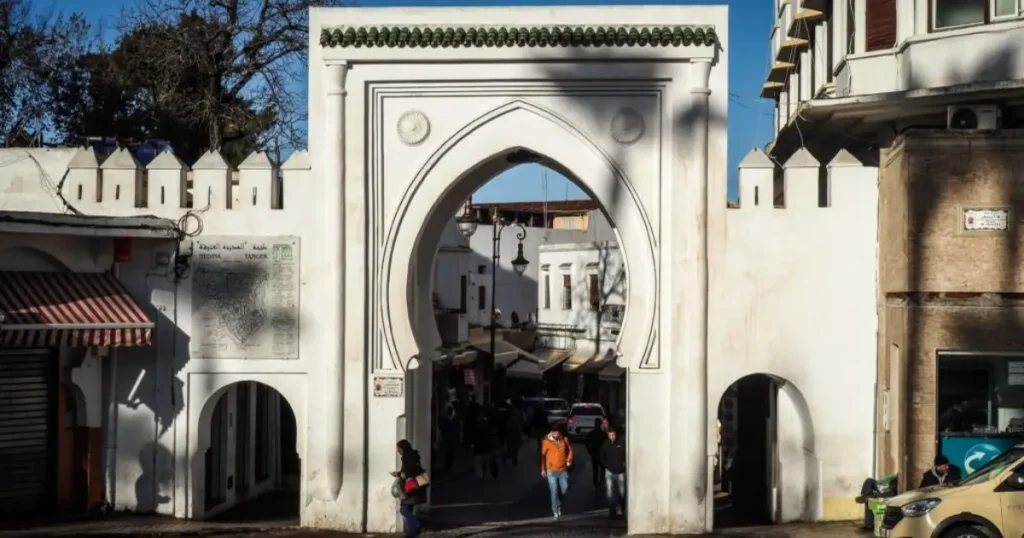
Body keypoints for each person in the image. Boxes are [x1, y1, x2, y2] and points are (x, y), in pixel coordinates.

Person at [392, 440, 427, 537]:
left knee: (404, 509)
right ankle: (412, 533)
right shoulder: (414, 456)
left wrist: (400, 475)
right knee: (408, 509)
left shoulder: (407, 458)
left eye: (399, 449)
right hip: (416, 486)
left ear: (403, 449)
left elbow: (407, 472)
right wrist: (400, 473)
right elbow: (413, 470)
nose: (398, 451)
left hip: (411, 487)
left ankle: (416, 526)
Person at [540, 426, 574, 520]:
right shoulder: (546, 442)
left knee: (565, 488)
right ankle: (555, 510)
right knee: (554, 491)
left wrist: (569, 460)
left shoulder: (564, 439)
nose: (557, 435)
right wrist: (543, 469)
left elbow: (570, 450)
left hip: (563, 470)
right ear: (552, 432)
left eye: (558, 433)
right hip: (551, 470)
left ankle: (558, 502)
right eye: (555, 433)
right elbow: (542, 456)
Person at [600, 427, 627, 519]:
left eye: (613, 435)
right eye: (610, 435)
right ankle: (612, 510)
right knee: (609, 492)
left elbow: (627, 454)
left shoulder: (622, 442)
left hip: (620, 471)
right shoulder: (605, 444)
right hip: (609, 471)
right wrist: (606, 465)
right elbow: (602, 456)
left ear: (616, 435)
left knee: (622, 492)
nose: (612, 437)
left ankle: (621, 508)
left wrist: (624, 465)